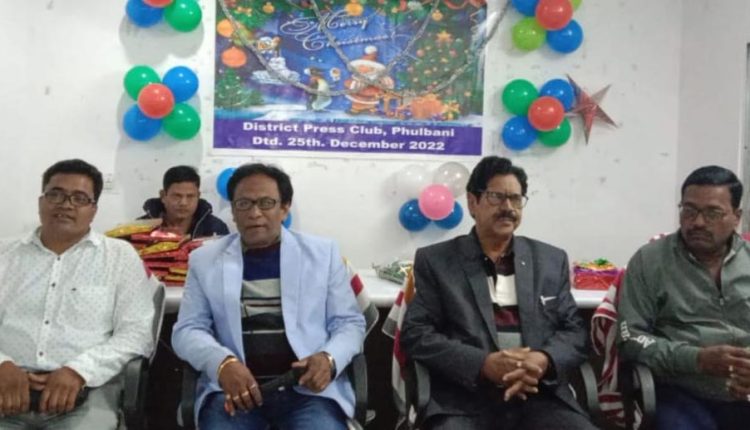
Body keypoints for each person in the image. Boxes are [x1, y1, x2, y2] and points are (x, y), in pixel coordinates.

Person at [400, 156, 596, 430]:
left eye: (516, 199)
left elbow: (574, 331)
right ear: (473, 202)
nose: (508, 208)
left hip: (539, 395)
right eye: (496, 197)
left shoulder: (550, 260)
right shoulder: (437, 261)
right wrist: (482, 364)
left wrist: (544, 360)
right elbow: (417, 334)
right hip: (465, 399)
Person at [172, 163, 365, 429]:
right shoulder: (204, 260)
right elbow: (187, 330)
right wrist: (222, 363)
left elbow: (349, 323)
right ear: (233, 211)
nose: (255, 213)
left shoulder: (322, 254)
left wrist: (328, 359)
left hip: (307, 393)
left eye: (266, 203)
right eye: (244, 204)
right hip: (235, 392)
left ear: (284, 208)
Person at [0, 159, 155, 429]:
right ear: (41, 202)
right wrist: (3, 365)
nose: (66, 205)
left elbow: (137, 333)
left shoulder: (119, 257)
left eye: (79, 198)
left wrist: (78, 371)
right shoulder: (5, 254)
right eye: (56, 194)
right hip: (7, 387)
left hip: (87, 392)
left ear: (94, 210)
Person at [617, 165, 750, 429]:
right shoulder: (650, 260)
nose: (697, 222)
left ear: (736, 217)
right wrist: (696, 359)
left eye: (712, 213)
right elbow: (630, 338)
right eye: (689, 210)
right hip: (680, 388)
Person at [140, 165, 229, 238]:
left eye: (190, 196)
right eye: (177, 196)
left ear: (198, 196)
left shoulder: (216, 228)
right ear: (163, 196)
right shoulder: (140, 228)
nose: (183, 203)